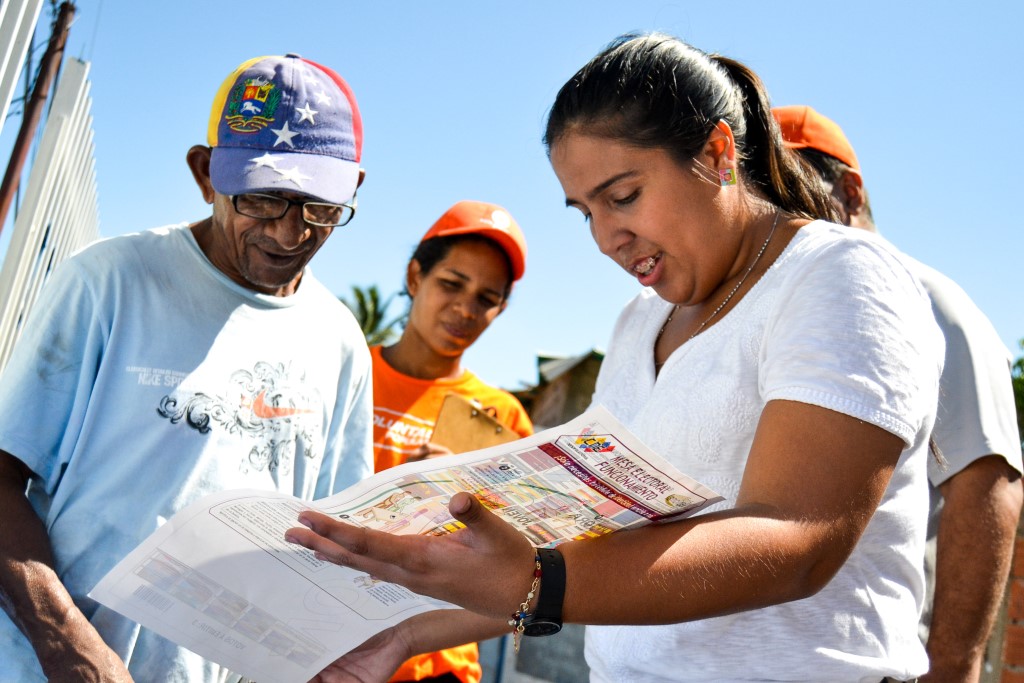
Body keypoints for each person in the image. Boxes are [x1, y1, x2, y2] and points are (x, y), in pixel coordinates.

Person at [287, 33, 945, 683]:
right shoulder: (640, 320)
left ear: (717, 153)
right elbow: (585, 546)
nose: (606, 237)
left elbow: (796, 538)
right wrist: (402, 636)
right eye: (585, 212)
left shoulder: (839, 277)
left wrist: (537, 578)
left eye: (623, 196)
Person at [0, 53, 374, 682]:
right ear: (206, 173)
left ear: (353, 192)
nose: (289, 235)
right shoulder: (111, 282)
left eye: (320, 210)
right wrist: (65, 644)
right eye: (262, 200)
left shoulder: (341, 343)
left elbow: (331, 546)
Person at [773, 104, 1024, 683]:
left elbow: (987, 486)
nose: (784, 225)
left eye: (796, 199)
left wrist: (953, 668)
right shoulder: (793, 310)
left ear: (851, 192)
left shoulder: (933, 306)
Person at [371, 200, 533, 683]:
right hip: (325, 652)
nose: (465, 309)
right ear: (415, 277)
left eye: (487, 298)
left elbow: (525, 578)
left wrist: (468, 504)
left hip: (438, 669)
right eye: (451, 284)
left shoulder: (502, 417)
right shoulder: (347, 377)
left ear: (500, 309)